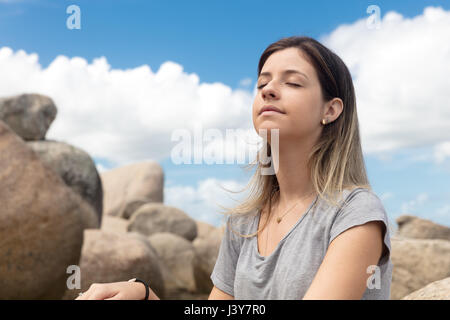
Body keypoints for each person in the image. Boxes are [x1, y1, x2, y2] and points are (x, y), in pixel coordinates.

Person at [76, 35, 393, 300]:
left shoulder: (356, 213)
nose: (268, 90)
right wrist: (145, 295)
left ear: (331, 109)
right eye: (262, 83)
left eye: (293, 83)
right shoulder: (243, 222)